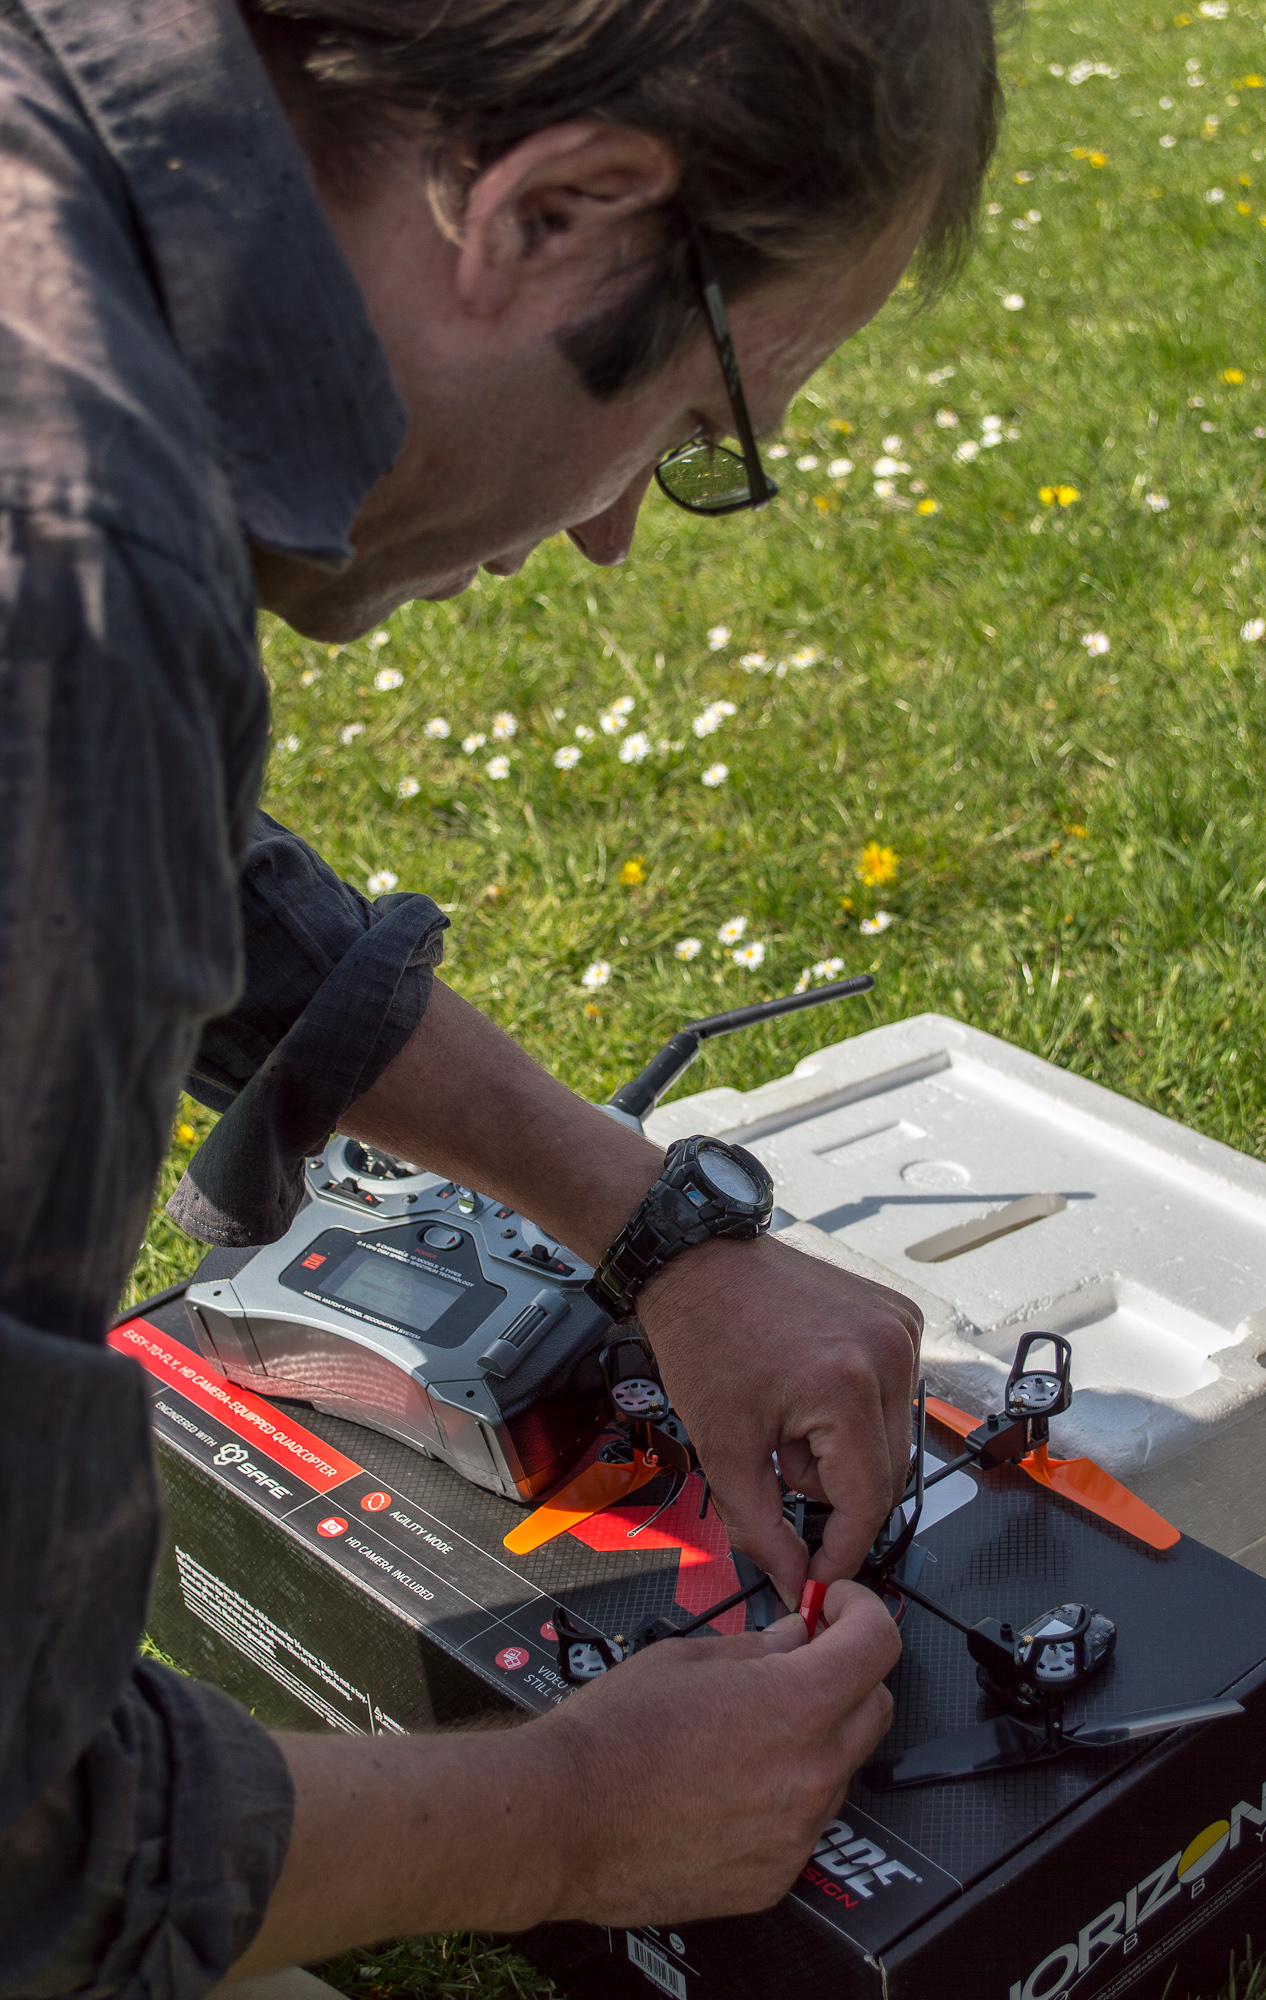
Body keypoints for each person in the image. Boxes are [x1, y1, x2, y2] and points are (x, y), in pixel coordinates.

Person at [0, 0, 1000, 1990]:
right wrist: (571, 1818)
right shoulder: (68, 576)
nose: (616, 524)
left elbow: (167, 854)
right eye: (699, 427)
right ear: (550, 215)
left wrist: (655, 1229)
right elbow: (32, 1848)